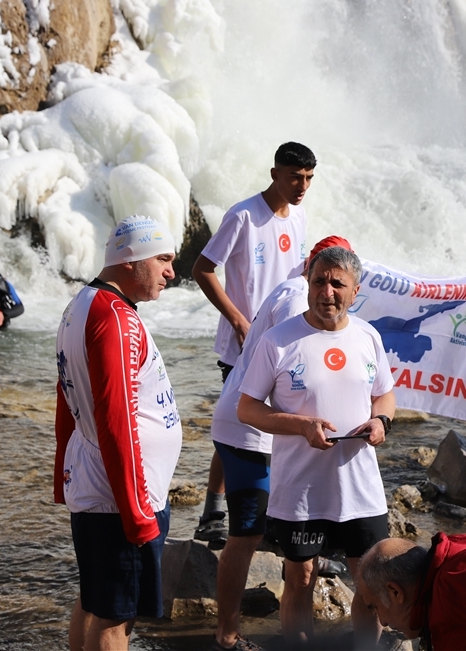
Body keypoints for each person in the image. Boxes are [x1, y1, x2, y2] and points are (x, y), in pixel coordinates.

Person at [238, 246, 395, 648]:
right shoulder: (278, 340)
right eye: (319, 281)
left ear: (355, 291)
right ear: (307, 283)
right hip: (301, 491)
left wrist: (382, 422)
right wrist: (301, 425)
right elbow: (247, 409)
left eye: (337, 284)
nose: (327, 291)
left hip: (359, 489)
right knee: (300, 580)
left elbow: (385, 396)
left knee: (371, 584)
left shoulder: (368, 336)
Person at [209, 236, 353, 651]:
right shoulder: (296, 301)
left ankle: (301, 564)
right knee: (245, 534)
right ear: (314, 269)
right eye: (326, 276)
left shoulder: (292, 288)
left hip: (254, 422)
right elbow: (294, 373)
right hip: (249, 428)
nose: (331, 290)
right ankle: (227, 635)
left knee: (274, 522)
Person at [54, 215, 182, 651]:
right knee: (116, 618)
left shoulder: (81, 305)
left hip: (99, 484)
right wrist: (137, 512)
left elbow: (66, 399)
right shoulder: (114, 318)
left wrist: (62, 473)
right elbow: (117, 421)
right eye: (163, 259)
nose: (171, 272)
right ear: (130, 260)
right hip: (121, 496)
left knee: (95, 600)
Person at [192, 142, 316, 545]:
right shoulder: (243, 215)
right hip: (243, 343)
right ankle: (213, 509)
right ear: (274, 173)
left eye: (309, 179)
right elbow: (203, 268)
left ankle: (273, 519)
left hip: (285, 344)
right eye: (295, 177)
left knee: (280, 426)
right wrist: (238, 319)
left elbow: (298, 276)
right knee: (238, 428)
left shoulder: (297, 217)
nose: (302, 186)